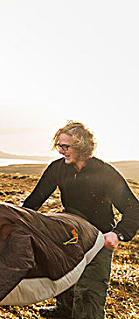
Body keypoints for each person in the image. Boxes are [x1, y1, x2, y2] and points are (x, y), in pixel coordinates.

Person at [22, 121, 139, 319]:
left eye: (65, 147)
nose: (60, 151)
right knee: (65, 278)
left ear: (81, 146)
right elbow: (35, 199)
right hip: (71, 234)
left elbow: (133, 207)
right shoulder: (57, 169)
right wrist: (19, 220)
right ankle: (64, 311)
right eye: (59, 146)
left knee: (89, 293)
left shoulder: (105, 173)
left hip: (98, 238)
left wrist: (118, 234)